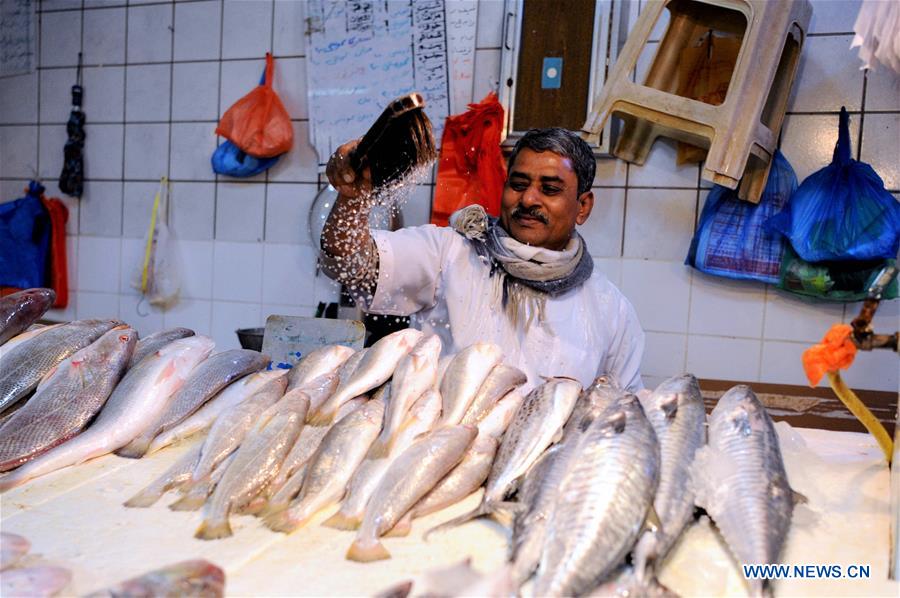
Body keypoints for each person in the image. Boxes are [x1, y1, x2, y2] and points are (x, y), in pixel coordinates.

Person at [320, 127, 645, 391]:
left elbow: (622, 412)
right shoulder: (449, 252)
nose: (528, 199)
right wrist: (353, 197)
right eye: (518, 184)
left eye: (549, 189)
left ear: (583, 207)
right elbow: (349, 264)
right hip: (439, 445)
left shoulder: (611, 311)